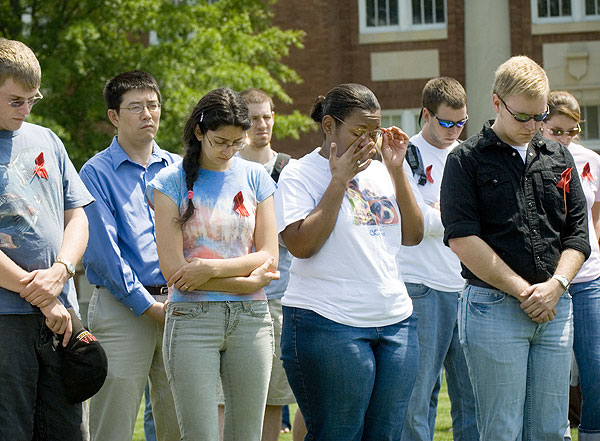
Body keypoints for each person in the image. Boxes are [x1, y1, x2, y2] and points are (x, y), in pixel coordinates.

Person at [440, 56, 591, 441]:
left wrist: (556, 286)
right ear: (496, 103)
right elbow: (461, 237)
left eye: (540, 117)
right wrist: (526, 292)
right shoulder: (465, 159)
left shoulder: (559, 156)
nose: (534, 127)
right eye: (523, 117)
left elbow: (577, 234)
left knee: (551, 430)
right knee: (501, 431)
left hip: (556, 306)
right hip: (493, 308)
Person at [274, 83, 424, 440]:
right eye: (360, 131)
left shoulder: (382, 170)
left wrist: (397, 170)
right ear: (329, 126)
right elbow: (301, 244)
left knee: (385, 434)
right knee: (339, 433)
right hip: (328, 322)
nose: (370, 141)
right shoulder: (300, 173)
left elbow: (413, 235)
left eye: (375, 131)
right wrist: (338, 179)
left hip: (395, 321)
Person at [148, 87, 280, 441]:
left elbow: (269, 255)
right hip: (191, 320)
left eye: (237, 143)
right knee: (200, 435)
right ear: (199, 132)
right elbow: (175, 271)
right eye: (221, 141)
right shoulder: (168, 183)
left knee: (247, 435)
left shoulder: (255, 177)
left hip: (252, 320)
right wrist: (248, 281)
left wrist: (209, 270)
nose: (229, 152)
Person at [0, 38, 94, 440]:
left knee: (66, 429)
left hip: (61, 314)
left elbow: (77, 215)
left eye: (32, 101)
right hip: (6, 319)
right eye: (15, 101)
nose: (25, 111)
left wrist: (62, 270)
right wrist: (38, 292)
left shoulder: (48, 140)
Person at [79, 70, 180, 441]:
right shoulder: (94, 173)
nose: (147, 114)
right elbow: (105, 255)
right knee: (114, 425)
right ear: (114, 117)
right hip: (122, 310)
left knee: (179, 423)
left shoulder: (179, 168)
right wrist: (150, 306)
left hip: (178, 304)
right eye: (135, 107)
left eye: (153, 105)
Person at [399, 77, 478, 441]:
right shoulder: (404, 156)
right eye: (446, 122)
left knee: (473, 397)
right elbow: (411, 221)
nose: (454, 130)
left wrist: (439, 212)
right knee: (419, 396)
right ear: (426, 115)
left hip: (469, 288)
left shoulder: (470, 154)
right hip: (421, 287)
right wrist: (452, 216)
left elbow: (481, 219)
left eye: (461, 122)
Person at [216, 87, 296, 441]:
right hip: (224, 295)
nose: (262, 124)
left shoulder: (289, 170)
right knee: (221, 397)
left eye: (267, 116)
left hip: (276, 296)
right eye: (254, 118)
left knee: (273, 396)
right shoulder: (226, 168)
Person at [541, 90, 600, 441]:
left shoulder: (591, 160)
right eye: (556, 130)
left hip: (589, 279)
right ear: (542, 125)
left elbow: (595, 217)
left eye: (572, 131)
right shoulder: (532, 159)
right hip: (549, 281)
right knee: (552, 372)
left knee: (595, 367)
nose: (564, 138)